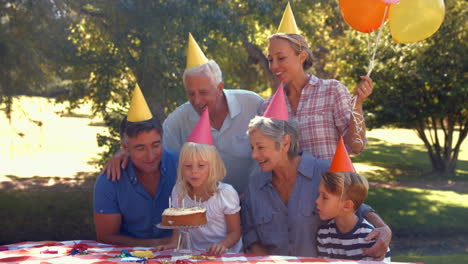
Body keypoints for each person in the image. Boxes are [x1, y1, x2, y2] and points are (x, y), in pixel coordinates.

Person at [104, 33, 263, 194]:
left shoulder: (252, 104)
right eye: (191, 93)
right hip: (207, 205)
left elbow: (278, 138)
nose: (197, 100)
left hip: (255, 201)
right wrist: (123, 152)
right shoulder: (178, 120)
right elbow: (153, 144)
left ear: (220, 88)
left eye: (203, 92)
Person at [242, 115, 391, 259]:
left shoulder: (323, 172)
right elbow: (252, 236)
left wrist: (383, 228)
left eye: (260, 147)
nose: (254, 155)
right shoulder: (254, 185)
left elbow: (355, 205)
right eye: (251, 147)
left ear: (285, 143)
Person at [260, 2, 373, 161]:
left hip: (329, 184)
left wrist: (357, 105)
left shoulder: (332, 90)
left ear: (302, 57)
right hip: (289, 187)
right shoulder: (267, 107)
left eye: (281, 58)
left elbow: (356, 146)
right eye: (270, 60)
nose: (274, 66)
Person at [93, 85, 178, 246]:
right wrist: (158, 243)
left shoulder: (183, 167)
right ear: (125, 148)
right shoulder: (110, 180)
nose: (151, 156)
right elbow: (106, 236)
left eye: (156, 145)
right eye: (140, 148)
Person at [156, 109, 242, 254]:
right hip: (195, 254)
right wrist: (171, 244)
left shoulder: (225, 194)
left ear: (212, 166)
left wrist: (222, 245)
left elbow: (235, 233)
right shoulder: (179, 191)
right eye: (188, 166)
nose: (194, 171)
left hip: (225, 255)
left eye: (201, 166)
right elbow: (177, 230)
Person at [315, 138, 391, 261]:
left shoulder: (370, 237)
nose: (317, 201)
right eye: (319, 195)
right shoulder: (324, 234)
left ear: (347, 205)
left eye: (324, 197)